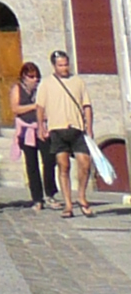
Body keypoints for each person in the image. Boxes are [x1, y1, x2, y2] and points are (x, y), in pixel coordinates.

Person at [37, 49, 95, 219]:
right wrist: (41, 126)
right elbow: (40, 107)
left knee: (85, 164)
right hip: (57, 129)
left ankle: (82, 196)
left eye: (66, 64)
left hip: (77, 129)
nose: (64, 68)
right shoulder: (46, 84)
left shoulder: (78, 82)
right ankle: (68, 204)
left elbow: (87, 106)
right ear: (54, 66)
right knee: (63, 166)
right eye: (60, 65)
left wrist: (89, 127)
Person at [15, 62, 56, 207]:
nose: (34, 80)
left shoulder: (42, 89)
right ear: (24, 77)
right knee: (32, 164)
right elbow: (16, 108)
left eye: (36, 77)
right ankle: (37, 198)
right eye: (31, 77)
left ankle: (50, 194)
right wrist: (35, 106)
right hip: (27, 130)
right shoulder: (18, 89)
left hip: (43, 128)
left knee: (50, 160)